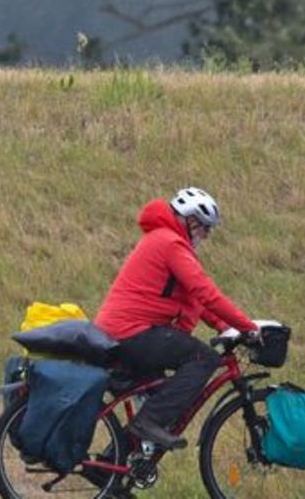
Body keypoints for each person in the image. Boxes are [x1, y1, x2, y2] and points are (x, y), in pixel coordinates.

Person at [94, 187, 259, 450]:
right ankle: (148, 422)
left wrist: (226, 327)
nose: (206, 235)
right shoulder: (170, 243)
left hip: (123, 331)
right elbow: (206, 293)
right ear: (191, 220)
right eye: (205, 228)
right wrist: (249, 329)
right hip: (130, 332)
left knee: (162, 398)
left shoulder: (163, 239)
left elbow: (196, 301)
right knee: (203, 358)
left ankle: (107, 469)